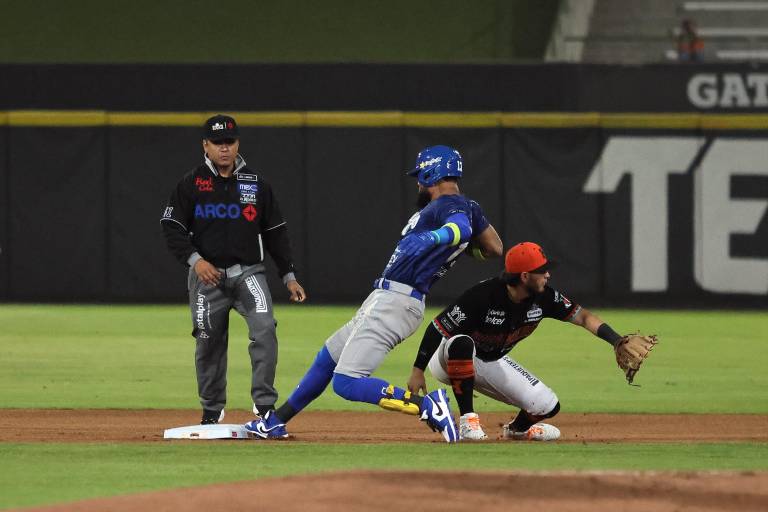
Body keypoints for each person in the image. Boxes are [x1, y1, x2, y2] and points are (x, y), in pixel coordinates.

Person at [245, 145, 502, 443]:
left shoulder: (449, 205)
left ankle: (427, 406)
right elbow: (494, 248)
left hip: (398, 301)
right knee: (328, 358)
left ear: (433, 172)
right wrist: (455, 246)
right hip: (387, 299)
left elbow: (458, 228)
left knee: (347, 383)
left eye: (421, 176)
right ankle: (275, 422)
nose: (418, 182)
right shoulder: (467, 206)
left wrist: (438, 238)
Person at [160, 114, 306, 425]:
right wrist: (195, 260)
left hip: (248, 273)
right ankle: (212, 410)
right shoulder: (191, 183)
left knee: (265, 329)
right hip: (206, 278)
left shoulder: (255, 183)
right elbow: (171, 225)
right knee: (208, 342)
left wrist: (288, 275)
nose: (224, 148)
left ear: (237, 143)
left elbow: (275, 231)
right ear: (205, 145)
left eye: (229, 142)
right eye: (217, 143)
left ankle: (264, 406)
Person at [408, 241, 631, 441]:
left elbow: (583, 317)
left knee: (547, 405)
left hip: (490, 359)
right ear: (524, 276)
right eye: (542, 271)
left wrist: (616, 340)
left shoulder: (545, 298)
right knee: (462, 343)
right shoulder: (482, 295)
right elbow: (438, 327)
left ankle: (517, 430)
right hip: (447, 357)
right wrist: (418, 369)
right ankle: (468, 422)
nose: (548, 275)